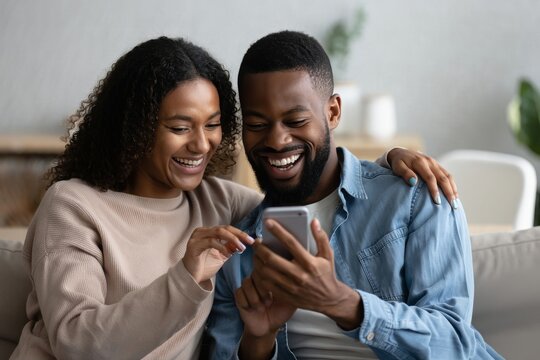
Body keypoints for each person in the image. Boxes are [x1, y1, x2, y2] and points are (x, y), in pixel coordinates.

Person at [10, 36, 455, 360]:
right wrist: (186, 277)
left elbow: (309, 186)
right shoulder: (72, 206)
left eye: (213, 124)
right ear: (137, 129)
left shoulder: (220, 204)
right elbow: (76, 344)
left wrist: (385, 166)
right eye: (181, 128)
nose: (202, 145)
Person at [205, 31, 502, 359]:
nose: (276, 140)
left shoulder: (416, 197)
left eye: (296, 120)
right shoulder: (236, 254)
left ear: (332, 113)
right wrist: (259, 341)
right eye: (258, 125)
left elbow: (457, 344)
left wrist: (342, 303)